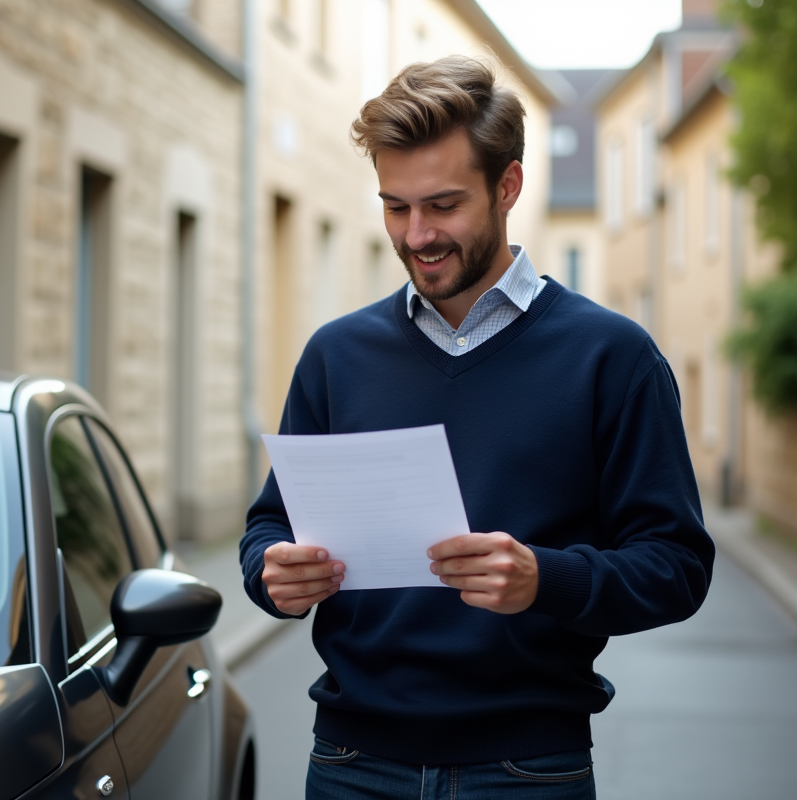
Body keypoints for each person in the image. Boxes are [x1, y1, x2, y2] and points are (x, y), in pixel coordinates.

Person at [238, 56, 714, 799]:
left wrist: (543, 578)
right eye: (395, 207)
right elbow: (269, 525)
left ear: (508, 186)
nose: (417, 234)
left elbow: (677, 567)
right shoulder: (337, 356)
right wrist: (273, 574)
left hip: (528, 772)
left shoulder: (613, 358)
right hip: (350, 766)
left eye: (443, 205)